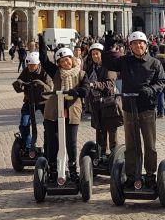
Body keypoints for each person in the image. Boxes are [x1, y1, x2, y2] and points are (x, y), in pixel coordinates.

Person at [102, 30, 165, 188]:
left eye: (141, 43)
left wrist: (151, 90)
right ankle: (132, 174)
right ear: (130, 46)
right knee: (131, 145)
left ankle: (150, 174)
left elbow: (162, 81)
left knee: (149, 144)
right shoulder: (125, 61)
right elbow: (108, 63)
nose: (138, 46)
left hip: (147, 108)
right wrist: (108, 45)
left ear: (146, 45)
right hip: (129, 108)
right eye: (135, 43)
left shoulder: (154, 62)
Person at [38, 35, 88, 181]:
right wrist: (42, 45)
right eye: (61, 61)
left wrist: (77, 92)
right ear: (58, 63)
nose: (65, 63)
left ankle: (73, 169)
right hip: (54, 111)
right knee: (53, 141)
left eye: (67, 59)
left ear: (72, 59)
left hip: (72, 111)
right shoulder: (56, 72)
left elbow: (85, 89)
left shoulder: (81, 73)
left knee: (71, 141)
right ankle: (53, 168)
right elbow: (44, 61)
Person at [83, 42, 122, 157]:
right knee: (99, 131)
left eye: (97, 54)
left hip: (108, 103)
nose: (95, 56)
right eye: (93, 54)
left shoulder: (109, 66)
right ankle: (101, 155)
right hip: (95, 103)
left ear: (102, 54)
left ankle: (114, 157)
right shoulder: (90, 68)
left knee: (111, 131)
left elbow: (110, 84)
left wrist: (94, 85)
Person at [12, 51, 51, 152]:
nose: (30, 67)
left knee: (49, 124)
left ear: (38, 64)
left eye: (33, 65)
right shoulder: (26, 71)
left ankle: (48, 146)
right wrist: (18, 84)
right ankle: (28, 145)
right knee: (24, 124)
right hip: (29, 101)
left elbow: (49, 88)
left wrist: (40, 84)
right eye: (29, 65)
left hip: (43, 102)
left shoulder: (44, 71)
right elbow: (19, 82)